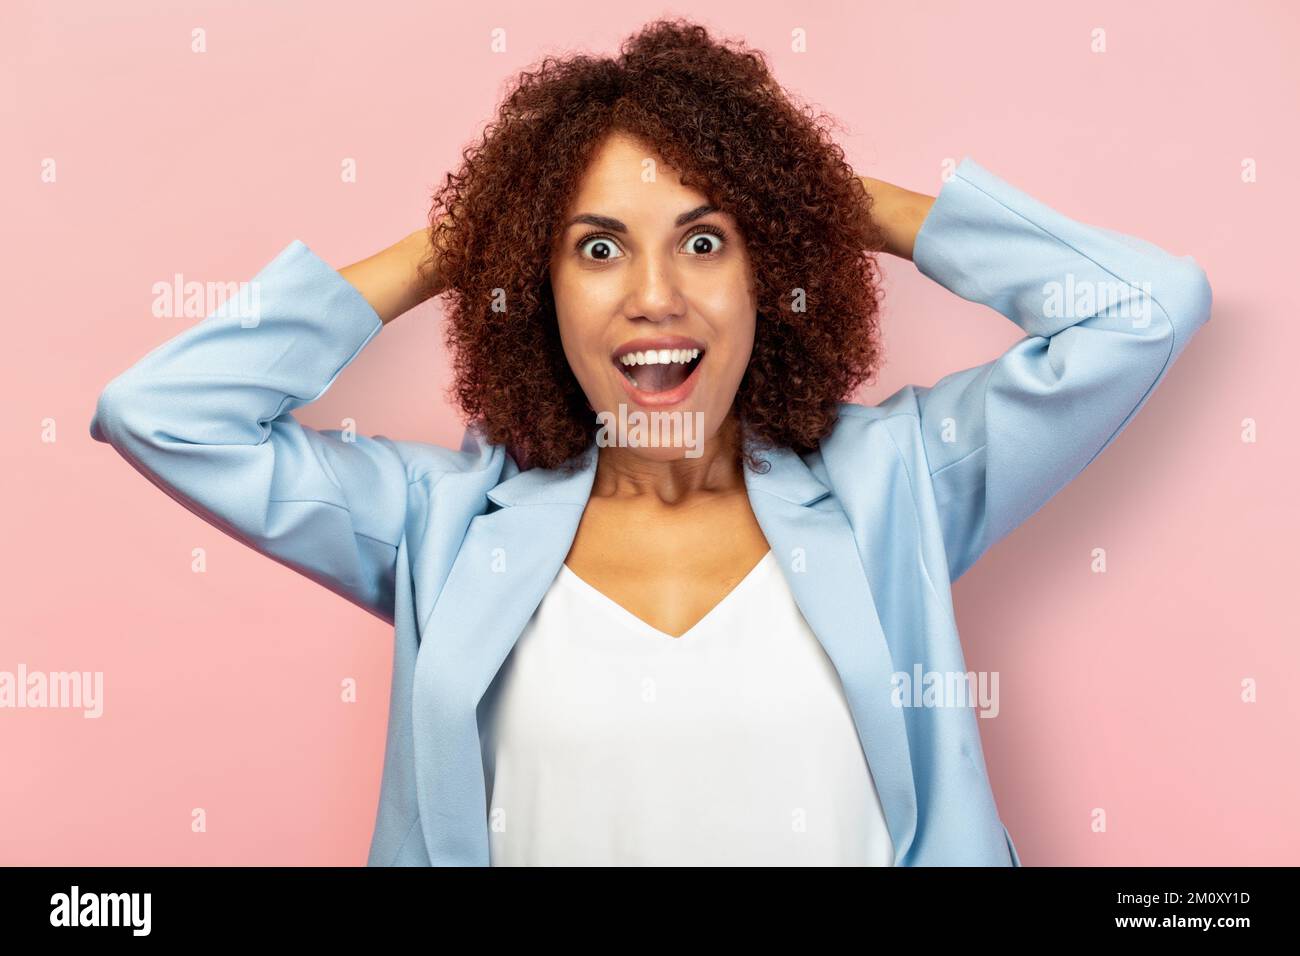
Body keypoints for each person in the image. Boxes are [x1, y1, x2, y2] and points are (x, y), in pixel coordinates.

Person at [89, 19, 1211, 866]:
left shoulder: (896, 487)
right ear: (538, 288)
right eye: (595, 249)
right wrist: (464, 240)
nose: (655, 295)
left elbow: (1144, 308)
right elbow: (166, 412)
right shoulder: (437, 527)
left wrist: (830, 198)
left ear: (767, 271)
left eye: (707, 239)